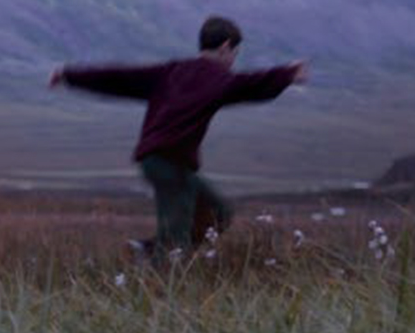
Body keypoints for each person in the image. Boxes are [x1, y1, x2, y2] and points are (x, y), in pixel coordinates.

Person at [50, 15, 308, 256]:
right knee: (175, 238)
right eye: (235, 54)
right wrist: (287, 74)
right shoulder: (216, 78)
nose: (233, 61)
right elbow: (250, 85)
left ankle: (149, 251)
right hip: (170, 163)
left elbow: (119, 78)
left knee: (218, 213)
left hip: (158, 161)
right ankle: (164, 272)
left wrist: (69, 75)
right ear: (226, 47)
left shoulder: (170, 72)